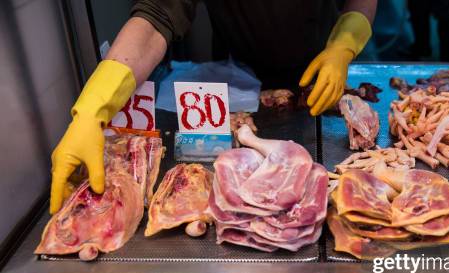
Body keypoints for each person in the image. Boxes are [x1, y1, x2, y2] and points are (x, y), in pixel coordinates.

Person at [49, 0, 377, 214]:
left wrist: (344, 46)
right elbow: (155, 16)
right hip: (236, 77)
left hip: (322, 63)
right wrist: (96, 104)